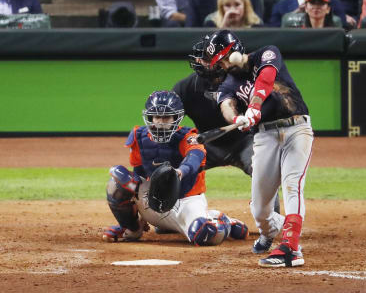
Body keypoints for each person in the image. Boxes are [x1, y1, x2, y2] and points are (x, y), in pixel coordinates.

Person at [200, 30, 314, 267]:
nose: (221, 64)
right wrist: (237, 119)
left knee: (293, 185)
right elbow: (226, 105)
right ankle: (272, 231)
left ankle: (291, 248)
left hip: (297, 128)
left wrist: (254, 106)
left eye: (223, 57)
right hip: (265, 136)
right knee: (261, 210)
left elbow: (266, 78)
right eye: (217, 62)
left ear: (235, 50)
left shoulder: (267, 53)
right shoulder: (228, 84)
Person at [102, 90, 249, 246]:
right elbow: (140, 175)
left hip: (186, 201)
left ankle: (222, 221)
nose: (160, 122)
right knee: (118, 182)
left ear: (176, 118)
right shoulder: (139, 137)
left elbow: (195, 158)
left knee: (205, 235)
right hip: (154, 199)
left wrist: (180, 171)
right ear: (150, 117)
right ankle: (131, 229)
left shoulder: (188, 137)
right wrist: (140, 212)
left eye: (166, 117)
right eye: (157, 117)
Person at [174, 38, 282, 211]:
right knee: (176, 166)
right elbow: (171, 121)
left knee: (263, 168)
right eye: (200, 59)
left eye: (206, 58)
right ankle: (168, 215)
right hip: (206, 144)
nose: (201, 62)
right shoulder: (186, 87)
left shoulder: (241, 80)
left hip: (244, 142)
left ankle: (270, 217)